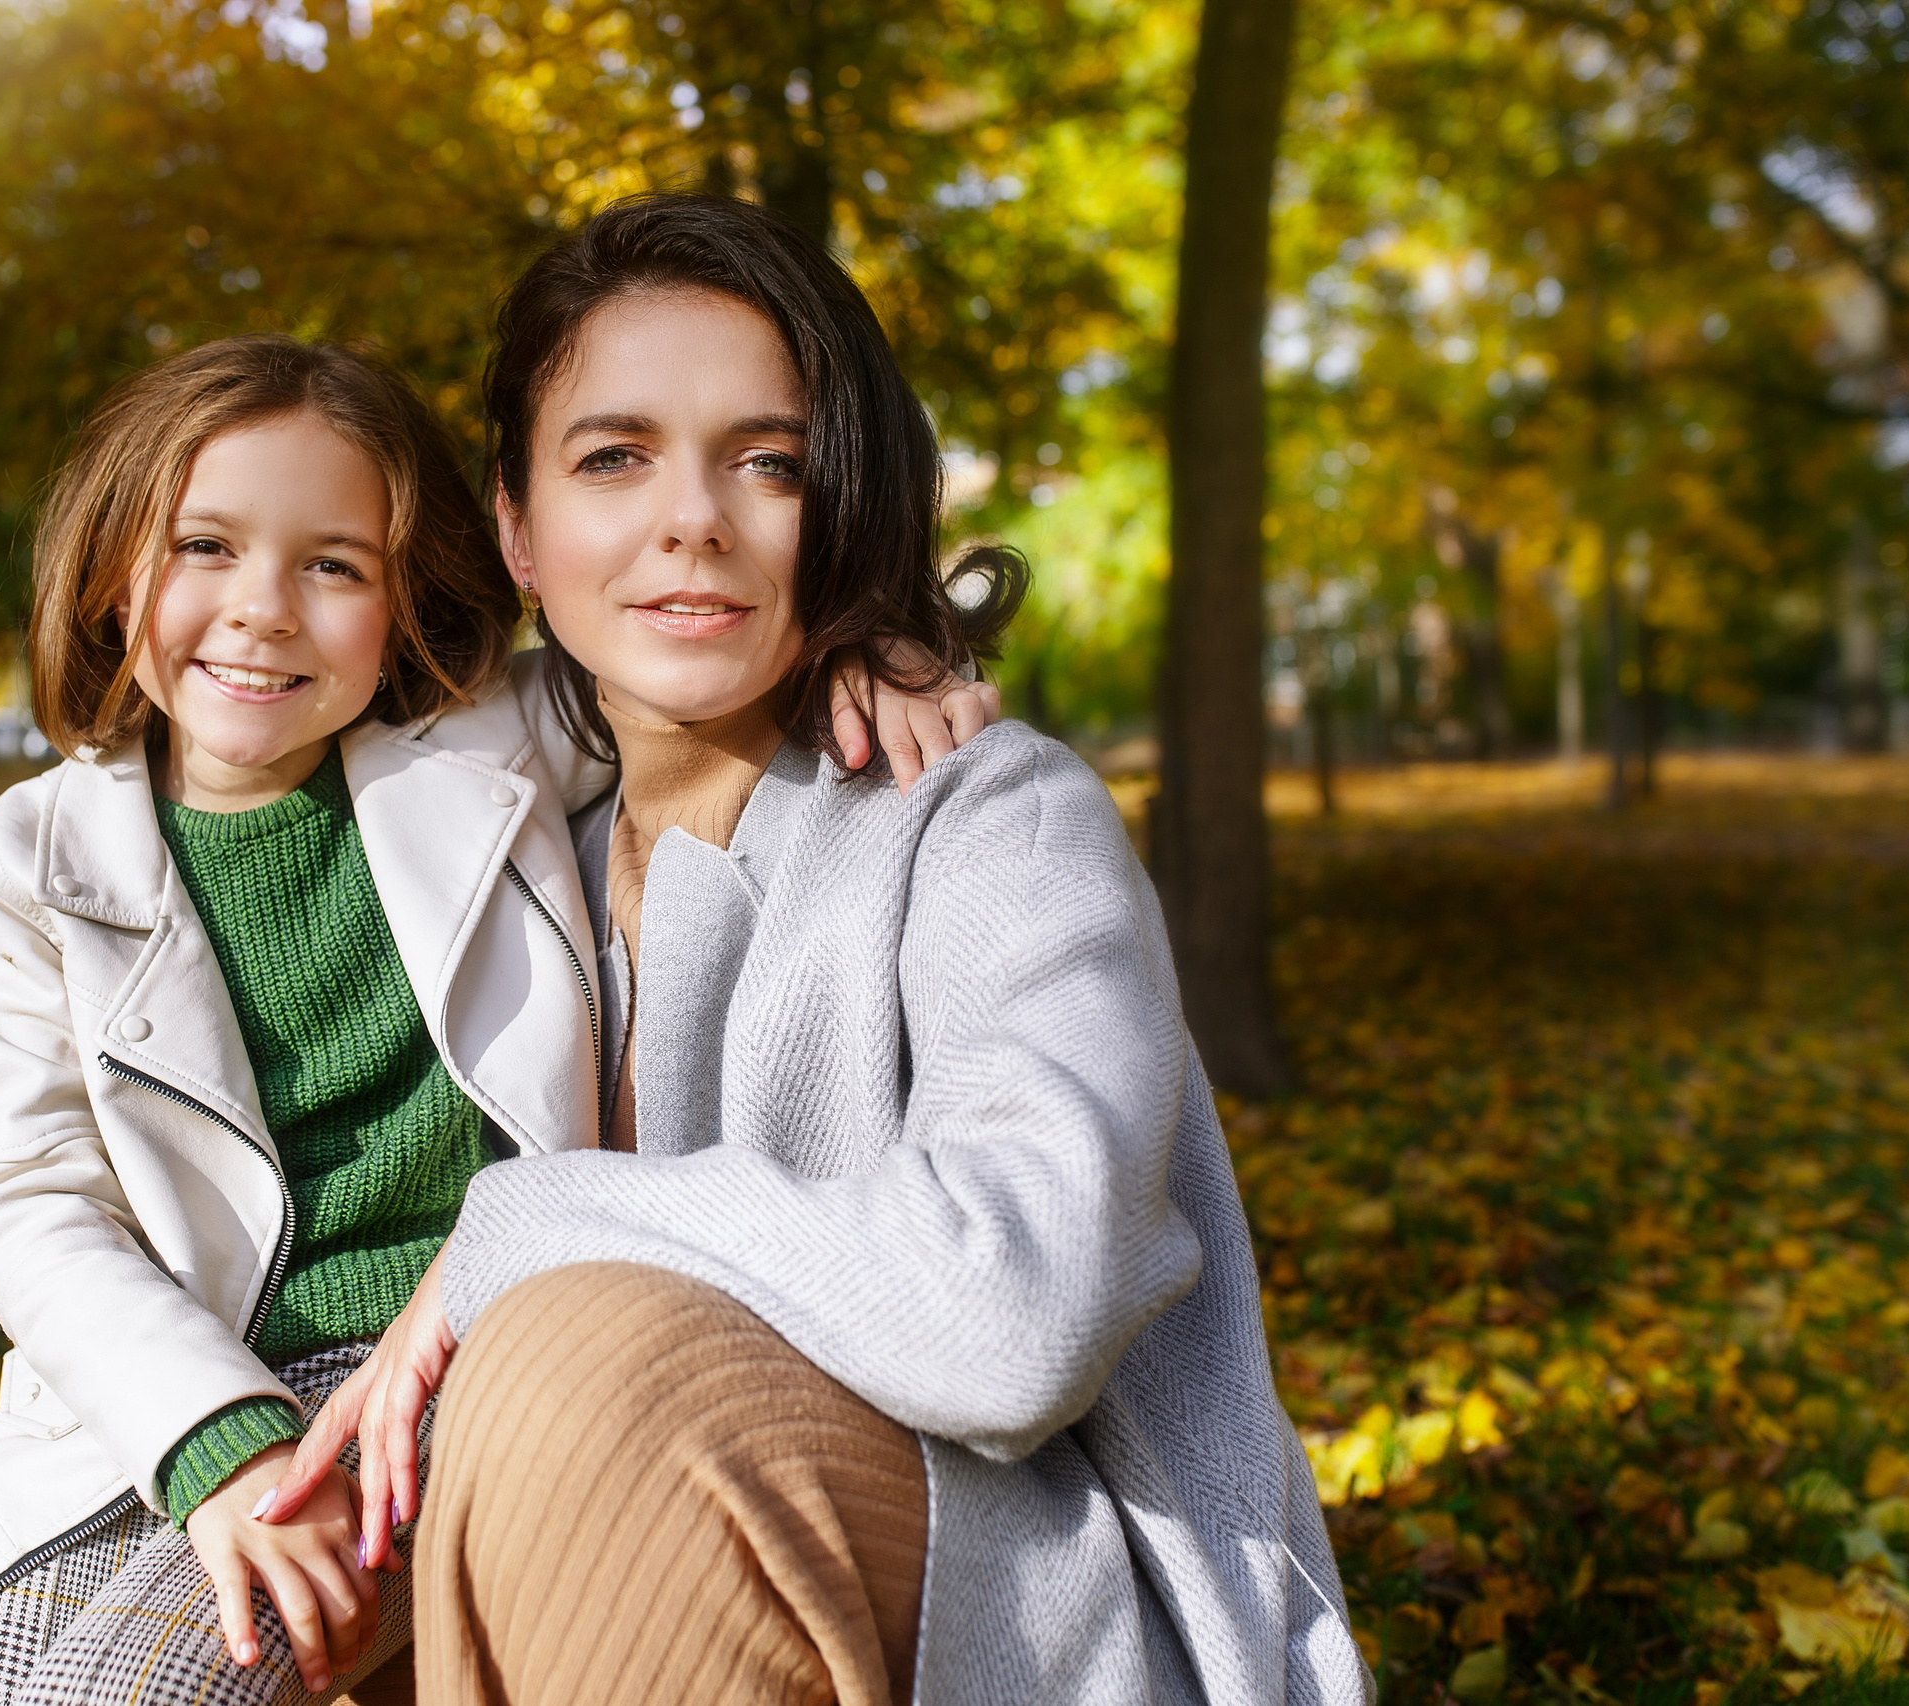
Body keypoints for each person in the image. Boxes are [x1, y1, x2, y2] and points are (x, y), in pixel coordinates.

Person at [261, 197, 1370, 1706]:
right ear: (516, 527)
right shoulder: (499, 855)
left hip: (1019, 1610)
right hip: (559, 1552)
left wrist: (536, 1220)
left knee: (583, 1358)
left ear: (840, 502)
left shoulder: (992, 819)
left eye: (769, 461)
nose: (694, 517)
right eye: (614, 455)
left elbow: (1011, 1314)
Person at [0, 334, 994, 1706]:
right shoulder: (21, 869)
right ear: (115, 564)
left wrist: (872, 647)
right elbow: (29, 1204)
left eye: (334, 565)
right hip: (159, 1399)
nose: (263, 609)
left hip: (434, 1372)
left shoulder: (494, 738)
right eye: (205, 547)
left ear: (407, 597)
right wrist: (220, 1447)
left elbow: (701, 654)